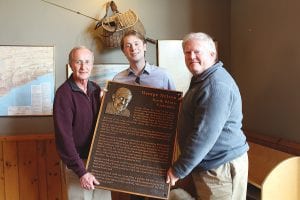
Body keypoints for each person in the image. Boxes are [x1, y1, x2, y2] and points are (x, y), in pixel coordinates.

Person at [166, 32, 249, 200]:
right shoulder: (203, 79)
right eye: (187, 52)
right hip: (213, 166)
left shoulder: (215, 85)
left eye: (197, 52)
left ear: (212, 54)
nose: (191, 56)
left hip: (220, 169)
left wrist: (178, 170)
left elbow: (204, 135)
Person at [113, 30, 176, 200]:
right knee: (135, 195)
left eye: (136, 44)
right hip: (132, 147)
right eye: (128, 46)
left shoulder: (163, 76)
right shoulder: (117, 80)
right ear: (124, 51)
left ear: (145, 46)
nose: (133, 48)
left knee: (159, 193)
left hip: (159, 148)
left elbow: (175, 110)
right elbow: (116, 117)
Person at [53, 46, 111, 200]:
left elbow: (103, 126)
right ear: (71, 65)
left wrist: (106, 105)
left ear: (92, 65)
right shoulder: (63, 94)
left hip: (99, 162)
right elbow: (64, 138)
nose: (83, 67)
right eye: (78, 62)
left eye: (87, 62)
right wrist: (82, 172)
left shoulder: (95, 89)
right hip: (77, 165)